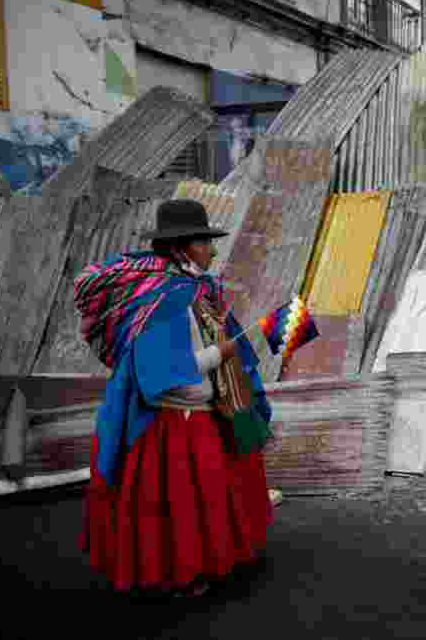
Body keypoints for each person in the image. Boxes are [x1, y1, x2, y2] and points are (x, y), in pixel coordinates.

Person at [76, 198, 273, 597]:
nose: (213, 250)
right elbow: (161, 374)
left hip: (204, 414)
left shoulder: (197, 291)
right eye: (205, 242)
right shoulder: (162, 302)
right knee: (178, 506)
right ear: (183, 248)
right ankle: (181, 572)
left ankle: (205, 563)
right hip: (171, 424)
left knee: (209, 500)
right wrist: (222, 353)